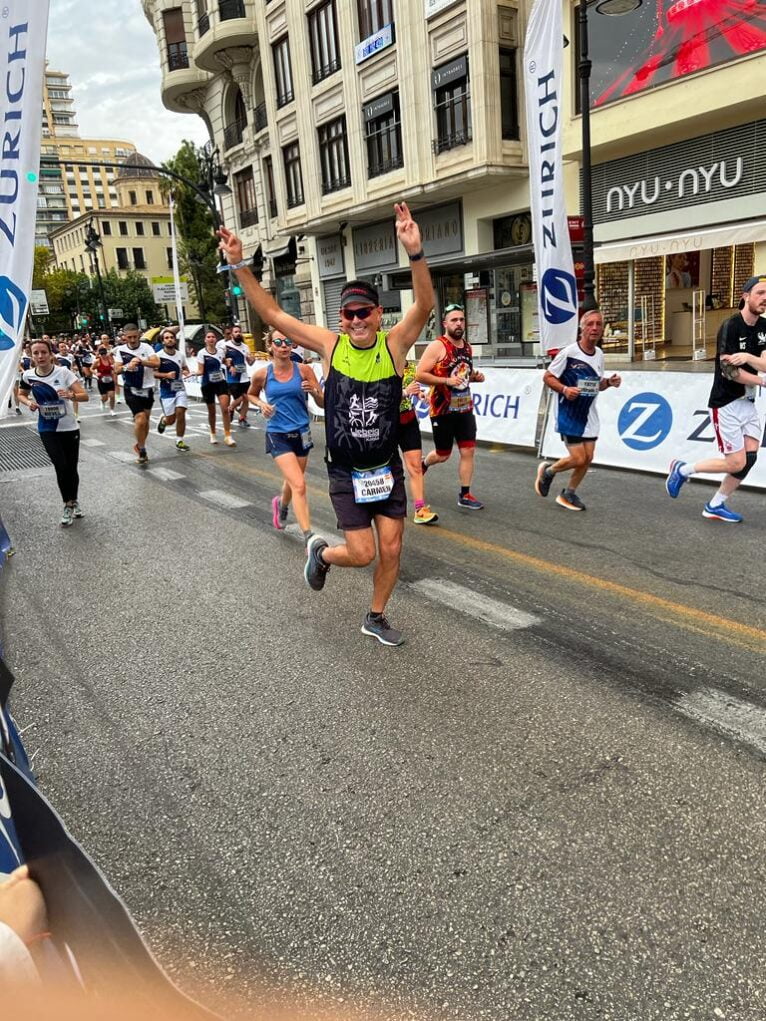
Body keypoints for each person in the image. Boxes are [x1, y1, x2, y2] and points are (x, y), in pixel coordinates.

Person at [218, 202, 433, 646]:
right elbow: (275, 317)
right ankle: (323, 552)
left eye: (364, 313)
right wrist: (239, 265)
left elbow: (425, 306)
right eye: (349, 314)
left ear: (378, 314)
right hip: (346, 471)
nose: (357, 320)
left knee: (392, 549)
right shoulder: (330, 346)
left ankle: (375, 616)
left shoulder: (394, 347)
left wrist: (416, 253)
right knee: (362, 552)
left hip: (385, 469)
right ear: (341, 319)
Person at [665, 275, 766, 522]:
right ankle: (683, 469)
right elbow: (728, 370)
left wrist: (748, 358)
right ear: (745, 296)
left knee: (749, 459)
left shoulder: (765, 327)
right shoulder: (730, 326)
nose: (765, 299)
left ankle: (715, 504)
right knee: (735, 463)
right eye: (760, 293)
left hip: (748, 403)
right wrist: (760, 380)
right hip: (726, 402)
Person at [534, 310, 621, 511]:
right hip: (569, 413)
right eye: (590, 324)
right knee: (578, 458)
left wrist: (609, 382)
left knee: (588, 458)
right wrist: (565, 389)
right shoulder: (569, 353)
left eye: (598, 324)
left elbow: (595, 384)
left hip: (589, 414)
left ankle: (568, 494)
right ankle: (549, 471)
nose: (595, 328)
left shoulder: (599, 354)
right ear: (582, 328)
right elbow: (548, 377)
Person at [248, 329, 324, 540]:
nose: (283, 346)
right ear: (270, 346)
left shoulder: (305, 370)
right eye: (279, 342)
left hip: (302, 432)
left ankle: (280, 504)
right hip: (277, 434)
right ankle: (309, 536)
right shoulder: (263, 374)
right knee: (299, 484)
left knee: (294, 479)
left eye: (288, 342)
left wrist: (314, 391)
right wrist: (261, 404)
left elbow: (322, 402)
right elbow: (250, 395)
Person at [416, 304, 486, 510]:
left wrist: (474, 378)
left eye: (461, 320)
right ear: (445, 324)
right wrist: (446, 381)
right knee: (443, 454)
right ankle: (424, 464)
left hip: (464, 408)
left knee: (468, 451)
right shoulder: (438, 346)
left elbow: (462, 376)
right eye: (454, 320)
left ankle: (465, 494)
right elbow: (420, 374)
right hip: (442, 410)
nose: (458, 323)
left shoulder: (467, 347)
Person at [18, 338, 89, 526]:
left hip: (69, 427)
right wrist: (28, 403)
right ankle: (67, 504)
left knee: (71, 467)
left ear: (51, 354)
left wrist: (71, 395)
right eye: (36, 353)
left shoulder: (63, 373)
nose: (40, 356)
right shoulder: (28, 376)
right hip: (47, 428)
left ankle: (74, 499)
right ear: (31, 356)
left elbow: (85, 396)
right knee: (61, 465)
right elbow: (21, 394)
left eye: (44, 352)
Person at [112, 323, 160, 465]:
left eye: (134, 337)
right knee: (140, 419)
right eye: (129, 337)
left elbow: (156, 363)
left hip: (147, 388)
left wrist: (141, 362)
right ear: (124, 337)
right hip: (131, 388)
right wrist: (128, 366)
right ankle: (143, 450)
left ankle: (139, 445)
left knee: (145, 423)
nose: (132, 340)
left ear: (139, 335)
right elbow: (117, 370)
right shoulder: (121, 350)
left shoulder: (147, 348)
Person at [399, 360, 437, 524]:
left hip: (408, 419)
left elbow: (414, 388)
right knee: (388, 469)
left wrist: (419, 394)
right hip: (385, 422)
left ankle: (420, 509)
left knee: (415, 466)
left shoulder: (412, 367)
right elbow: (376, 395)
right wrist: (405, 392)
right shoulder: (381, 365)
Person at [194, 329, 236, 446]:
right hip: (207, 384)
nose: (211, 339)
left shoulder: (221, 351)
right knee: (211, 411)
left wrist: (230, 366)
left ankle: (228, 436)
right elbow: (201, 371)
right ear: (205, 340)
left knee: (225, 409)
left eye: (213, 337)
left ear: (216, 339)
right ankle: (212, 433)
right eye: (208, 337)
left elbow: (224, 361)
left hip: (220, 382)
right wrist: (192, 373)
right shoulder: (202, 353)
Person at [155, 328, 191, 451]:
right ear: (163, 341)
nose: (170, 339)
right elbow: (153, 373)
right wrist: (166, 375)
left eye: (171, 337)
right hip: (166, 391)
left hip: (179, 388)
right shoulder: (158, 356)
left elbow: (185, 368)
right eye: (167, 338)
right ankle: (164, 420)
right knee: (171, 420)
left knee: (181, 413)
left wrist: (186, 372)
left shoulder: (180, 355)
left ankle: (179, 440)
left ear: (175, 340)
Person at [220, 323, 255, 428]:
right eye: (236, 332)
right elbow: (221, 360)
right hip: (232, 378)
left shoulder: (245, 347)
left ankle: (242, 418)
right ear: (231, 334)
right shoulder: (225, 346)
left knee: (246, 397)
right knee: (240, 398)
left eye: (240, 332)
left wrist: (252, 359)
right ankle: (231, 408)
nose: (238, 334)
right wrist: (230, 365)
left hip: (244, 377)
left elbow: (250, 363)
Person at [94, 343, 117, 416]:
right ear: (100, 354)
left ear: (106, 353)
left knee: (112, 396)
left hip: (110, 380)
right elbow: (91, 368)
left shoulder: (110, 360)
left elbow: (114, 367)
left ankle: (112, 410)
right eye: (102, 354)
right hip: (101, 381)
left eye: (104, 354)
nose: (103, 355)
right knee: (105, 397)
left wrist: (114, 370)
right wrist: (95, 373)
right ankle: (102, 401)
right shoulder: (97, 361)